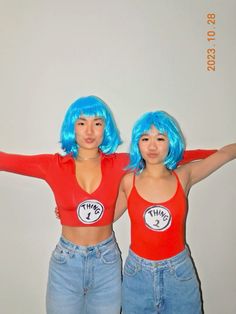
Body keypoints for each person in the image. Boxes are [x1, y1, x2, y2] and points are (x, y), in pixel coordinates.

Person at [0, 96, 216, 314]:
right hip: (66, 263)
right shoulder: (53, 165)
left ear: (106, 128)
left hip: (106, 262)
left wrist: (218, 153)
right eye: (82, 123)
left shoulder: (119, 163)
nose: (89, 131)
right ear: (71, 128)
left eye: (97, 123)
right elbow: (7, 160)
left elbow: (173, 156)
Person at [113, 111, 236, 314]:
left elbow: (224, 154)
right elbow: (106, 218)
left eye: (160, 138)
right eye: (145, 139)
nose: (152, 146)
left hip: (178, 274)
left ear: (171, 142)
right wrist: (69, 210)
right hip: (137, 276)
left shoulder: (183, 176)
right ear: (137, 143)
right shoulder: (129, 182)